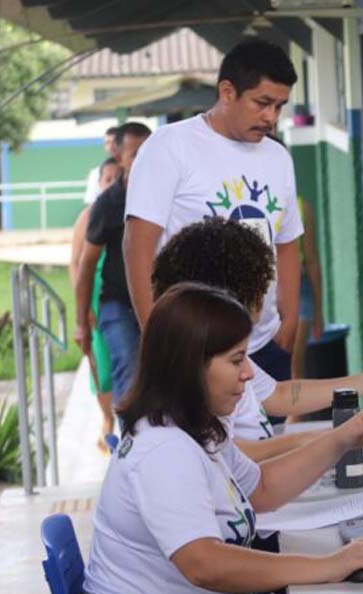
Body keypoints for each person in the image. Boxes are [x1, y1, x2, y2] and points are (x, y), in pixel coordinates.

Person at [79, 283, 363, 594]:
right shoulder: (163, 450)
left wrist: (342, 439)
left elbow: (262, 488)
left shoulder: (195, 425)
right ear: (191, 365)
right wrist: (327, 566)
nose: (249, 373)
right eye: (236, 360)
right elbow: (205, 564)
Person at [150, 217, 363, 457]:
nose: (266, 300)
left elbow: (279, 395)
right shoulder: (195, 376)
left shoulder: (223, 357)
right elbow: (223, 454)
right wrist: (323, 441)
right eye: (261, 289)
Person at [124, 39, 302, 391]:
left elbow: (287, 244)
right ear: (227, 91)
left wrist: (289, 325)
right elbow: (137, 246)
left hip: (265, 346)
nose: (271, 117)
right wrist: (158, 339)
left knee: (267, 444)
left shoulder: (278, 157)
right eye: (262, 103)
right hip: (194, 349)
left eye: (280, 106)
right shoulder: (169, 146)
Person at [75, 122, 152, 406]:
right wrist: (81, 322)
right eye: (136, 154)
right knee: (129, 365)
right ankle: (130, 442)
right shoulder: (106, 204)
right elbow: (86, 265)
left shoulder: (171, 194)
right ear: (119, 158)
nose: (145, 159)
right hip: (117, 302)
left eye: (149, 151)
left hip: (161, 299)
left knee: (166, 373)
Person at [70, 160, 119, 451]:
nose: (111, 183)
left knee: (125, 364)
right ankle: (106, 420)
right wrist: (83, 307)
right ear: (99, 183)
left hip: (119, 299)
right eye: (107, 178)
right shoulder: (88, 217)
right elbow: (76, 265)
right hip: (94, 301)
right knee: (100, 366)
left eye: (117, 177)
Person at [290, 196, 324, 380]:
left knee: (293, 365)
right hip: (267, 289)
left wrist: (318, 312)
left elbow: (311, 260)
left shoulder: (301, 207)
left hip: (300, 287)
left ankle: (297, 408)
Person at [82, 127, 119, 205]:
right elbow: (92, 206)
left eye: (115, 142)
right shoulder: (96, 173)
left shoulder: (134, 170)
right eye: (107, 143)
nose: (111, 147)